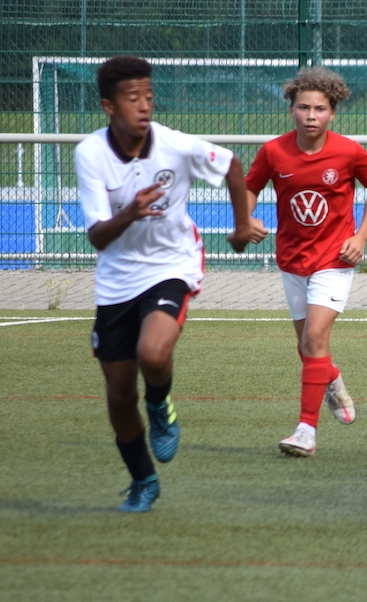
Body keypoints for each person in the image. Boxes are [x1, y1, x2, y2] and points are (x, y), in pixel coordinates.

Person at [74, 55, 252, 512]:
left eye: (149, 96)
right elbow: (97, 236)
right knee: (118, 396)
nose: (144, 106)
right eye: (132, 98)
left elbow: (232, 165)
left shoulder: (175, 145)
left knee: (153, 353)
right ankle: (143, 480)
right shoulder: (91, 154)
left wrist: (241, 227)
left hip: (172, 265)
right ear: (108, 105)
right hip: (116, 279)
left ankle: (159, 402)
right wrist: (131, 213)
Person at [241, 66, 367, 458]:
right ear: (291, 109)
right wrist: (246, 218)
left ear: (332, 113)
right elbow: (250, 187)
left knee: (315, 338)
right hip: (292, 260)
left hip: (335, 260)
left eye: (320, 109)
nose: (311, 115)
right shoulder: (273, 152)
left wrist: (361, 236)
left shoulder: (349, 151)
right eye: (303, 107)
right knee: (307, 347)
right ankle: (331, 378)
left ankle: (306, 432)